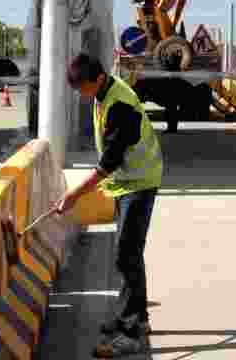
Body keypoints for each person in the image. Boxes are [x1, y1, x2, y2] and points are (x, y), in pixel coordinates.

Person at [54, 53, 163, 359]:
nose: (81, 95)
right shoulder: (105, 93)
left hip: (140, 182)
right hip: (129, 182)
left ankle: (129, 335)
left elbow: (109, 163)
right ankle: (137, 318)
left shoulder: (120, 105)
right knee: (130, 253)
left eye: (83, 88)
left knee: (125, 255)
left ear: (98, 79)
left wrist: (74, 194)